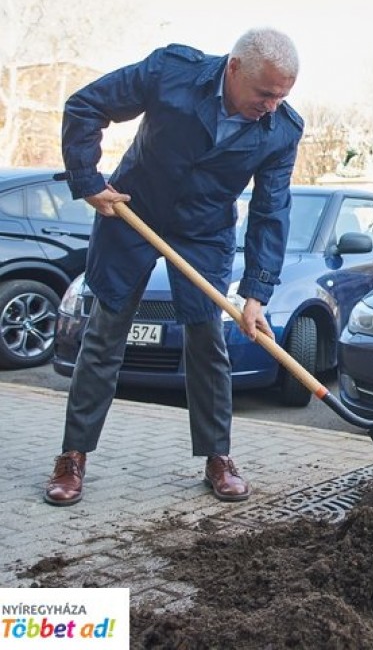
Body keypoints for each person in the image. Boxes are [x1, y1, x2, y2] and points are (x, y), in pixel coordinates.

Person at [44, 27, 303, 506]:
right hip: (131, 213)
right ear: (234, 68)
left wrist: (256, 293)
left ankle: (217, 457)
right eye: (265, 93)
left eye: (281, 96)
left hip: (204, 233)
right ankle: (72, 457)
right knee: (104, 335)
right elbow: (86, 104)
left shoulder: (281, 130)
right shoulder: (171, 73)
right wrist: (87, 179)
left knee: (207, 342)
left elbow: (272, 210)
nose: (271, 106)